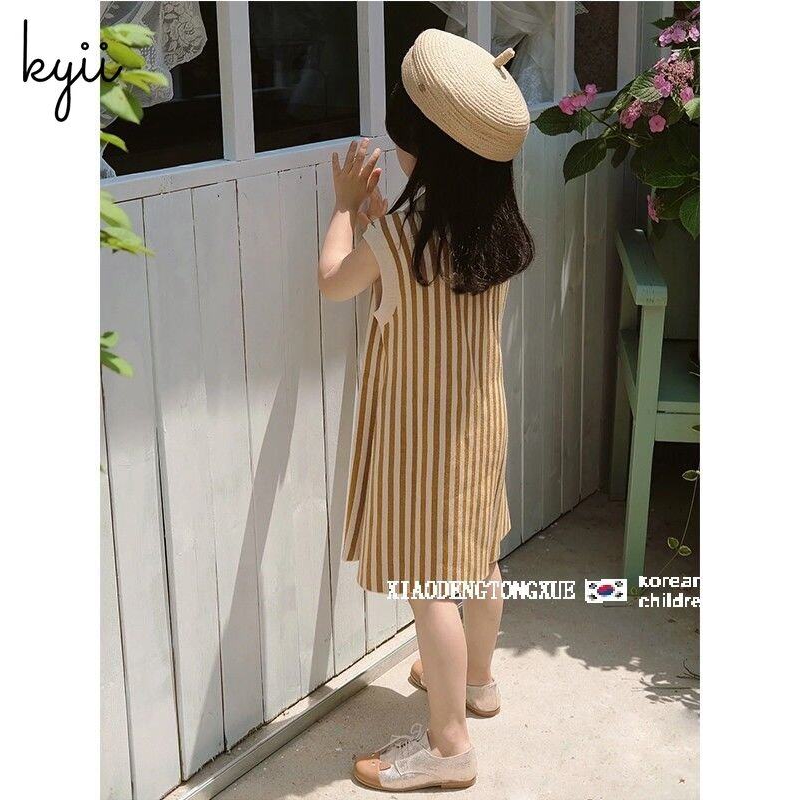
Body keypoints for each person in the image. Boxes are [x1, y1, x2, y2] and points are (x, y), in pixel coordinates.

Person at [318, 28, 533, 792]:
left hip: (421, 441)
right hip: (478, 429)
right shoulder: (495, 231)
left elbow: (335, 280)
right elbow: (423, 284)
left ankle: (448, 747)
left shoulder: (397, 234)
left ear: (430, 152)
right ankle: (477, 682)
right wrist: (380, 220)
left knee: (430, 585)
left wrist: (347, 209)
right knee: (479, 559)